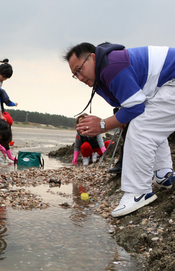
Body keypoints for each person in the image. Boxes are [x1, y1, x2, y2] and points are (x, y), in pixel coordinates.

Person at [64, 42, 175, 217]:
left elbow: (135, 108)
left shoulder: (111, 67)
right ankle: (164, 173)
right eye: (74, 75)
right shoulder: (103, 74)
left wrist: (102, 125)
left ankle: (138, 192)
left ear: (92, 57)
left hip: (171, 80)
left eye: (79, 70)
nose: (79, 77)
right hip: (164, 85)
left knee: (141, 128)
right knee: (150, 123)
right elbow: (133, 105)